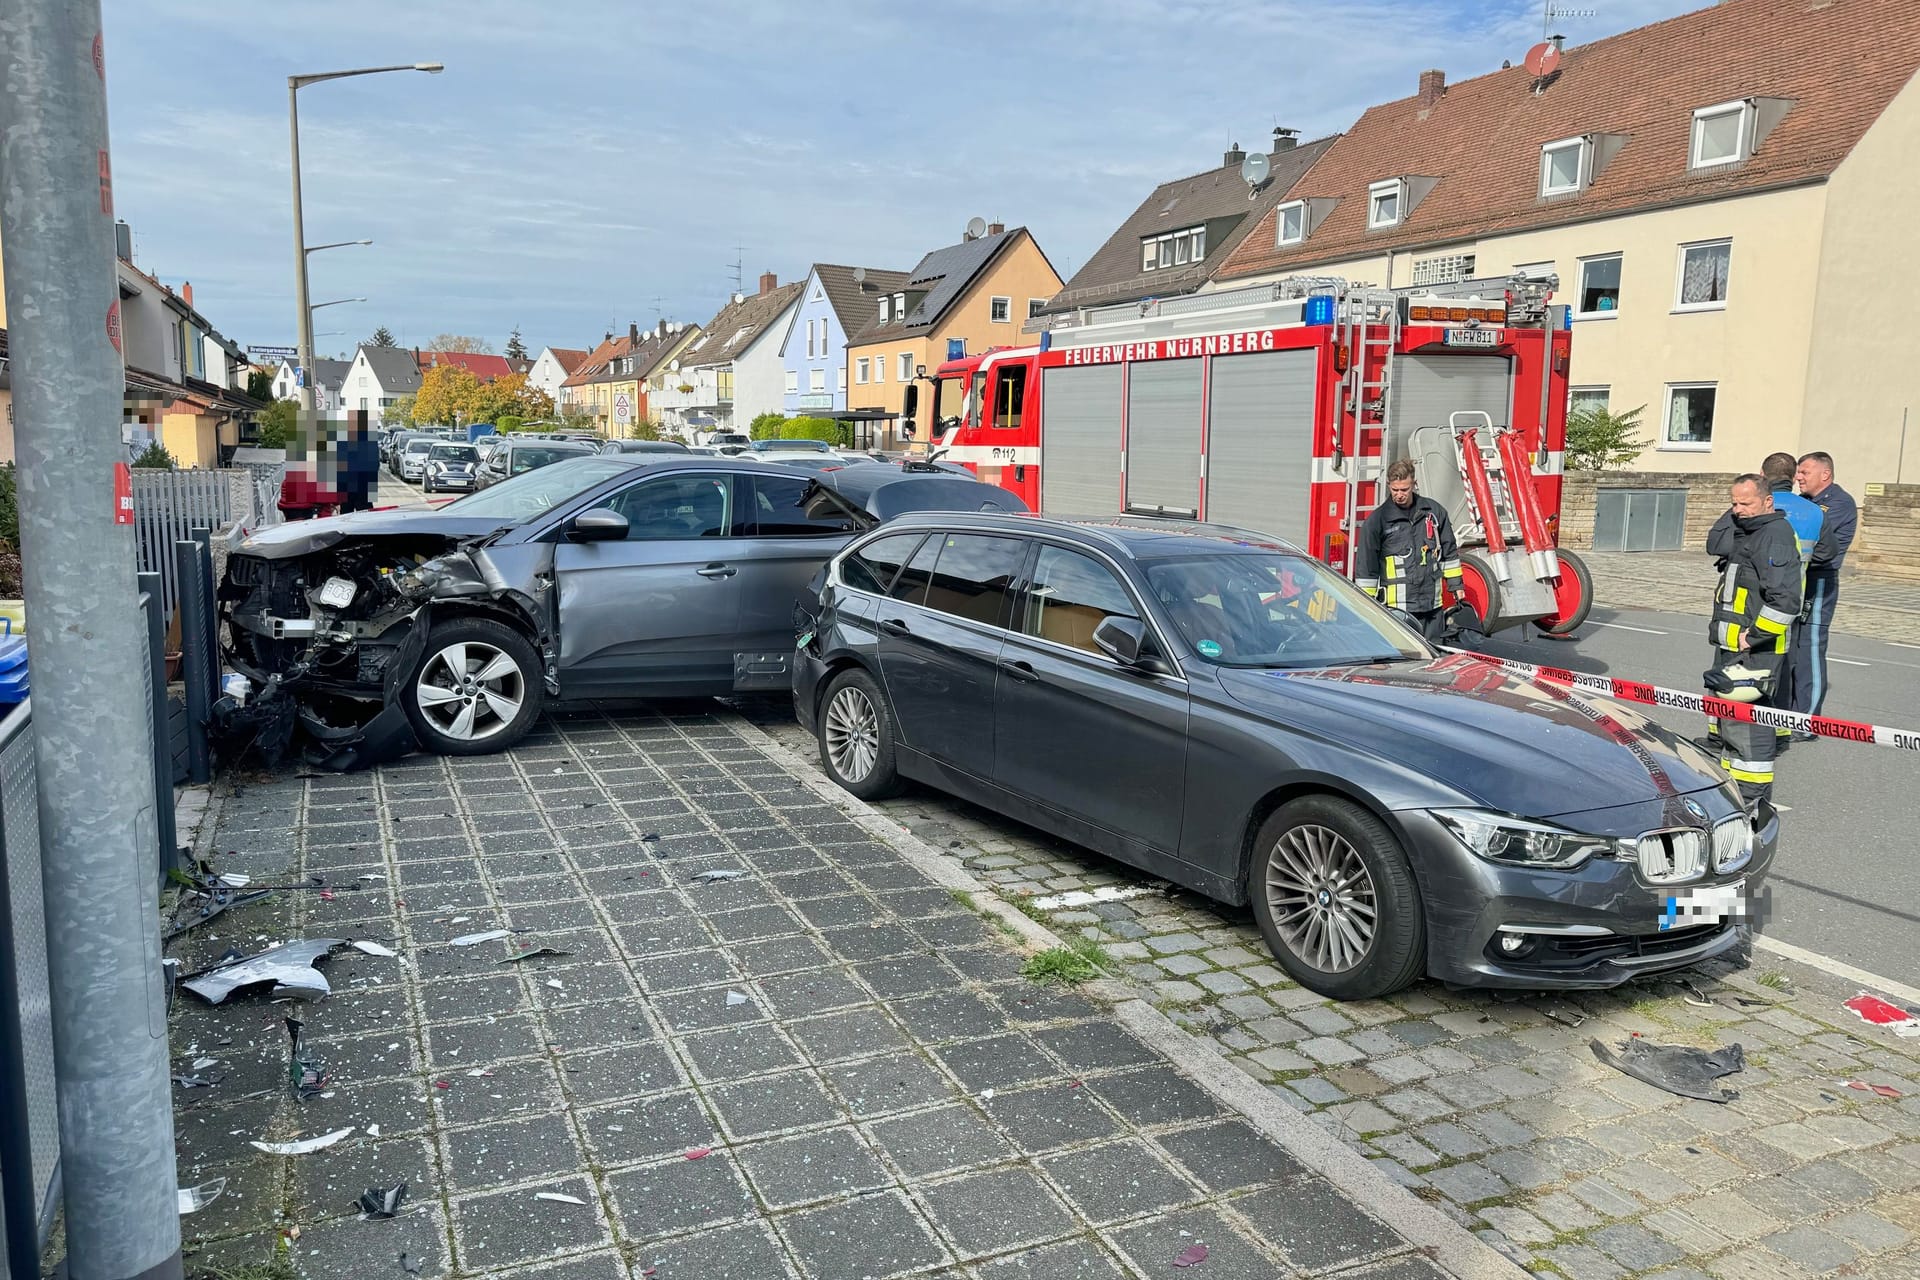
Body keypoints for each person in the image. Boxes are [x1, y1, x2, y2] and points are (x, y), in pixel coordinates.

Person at [1701, 474, 1801, 811]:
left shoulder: (1774, 536)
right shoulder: (1748, 529)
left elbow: (1785, 600)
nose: (1737, 510)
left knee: (1748, 726)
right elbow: (1715, 544)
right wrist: (1736, 513)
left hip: (1757, 650)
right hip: (1733, 647)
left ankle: (1750, 798)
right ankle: (1728, 787)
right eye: (1734, 503)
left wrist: (1754, 636)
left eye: (1746, 503)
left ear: (1768, 501)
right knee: (1730, 718)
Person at [1786, 451, 1856, 740]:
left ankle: (1807, 722)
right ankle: (1785, 713)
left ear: (1825, 474)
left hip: (1818, 582)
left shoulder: (1839, 503)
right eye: (1798, 472)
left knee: (1809, 650)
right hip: (1794, 581)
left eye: (1804, 472)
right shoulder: (1803, 503)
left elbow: (1824, 551)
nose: (1798, 477)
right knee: (1789, 649)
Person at [1354, 459, 1464, 640]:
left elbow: (1449, 553)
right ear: (1388, 485)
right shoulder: (1377, 521)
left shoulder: (1434, 512)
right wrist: (1367, 606)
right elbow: (1367, 567)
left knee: (1434, 657)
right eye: (1394, 490)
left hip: (1432, 605)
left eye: (1404, 489)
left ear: (1414, 484)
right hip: (1398, 609)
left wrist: (1456, 586)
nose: (1399, 495)